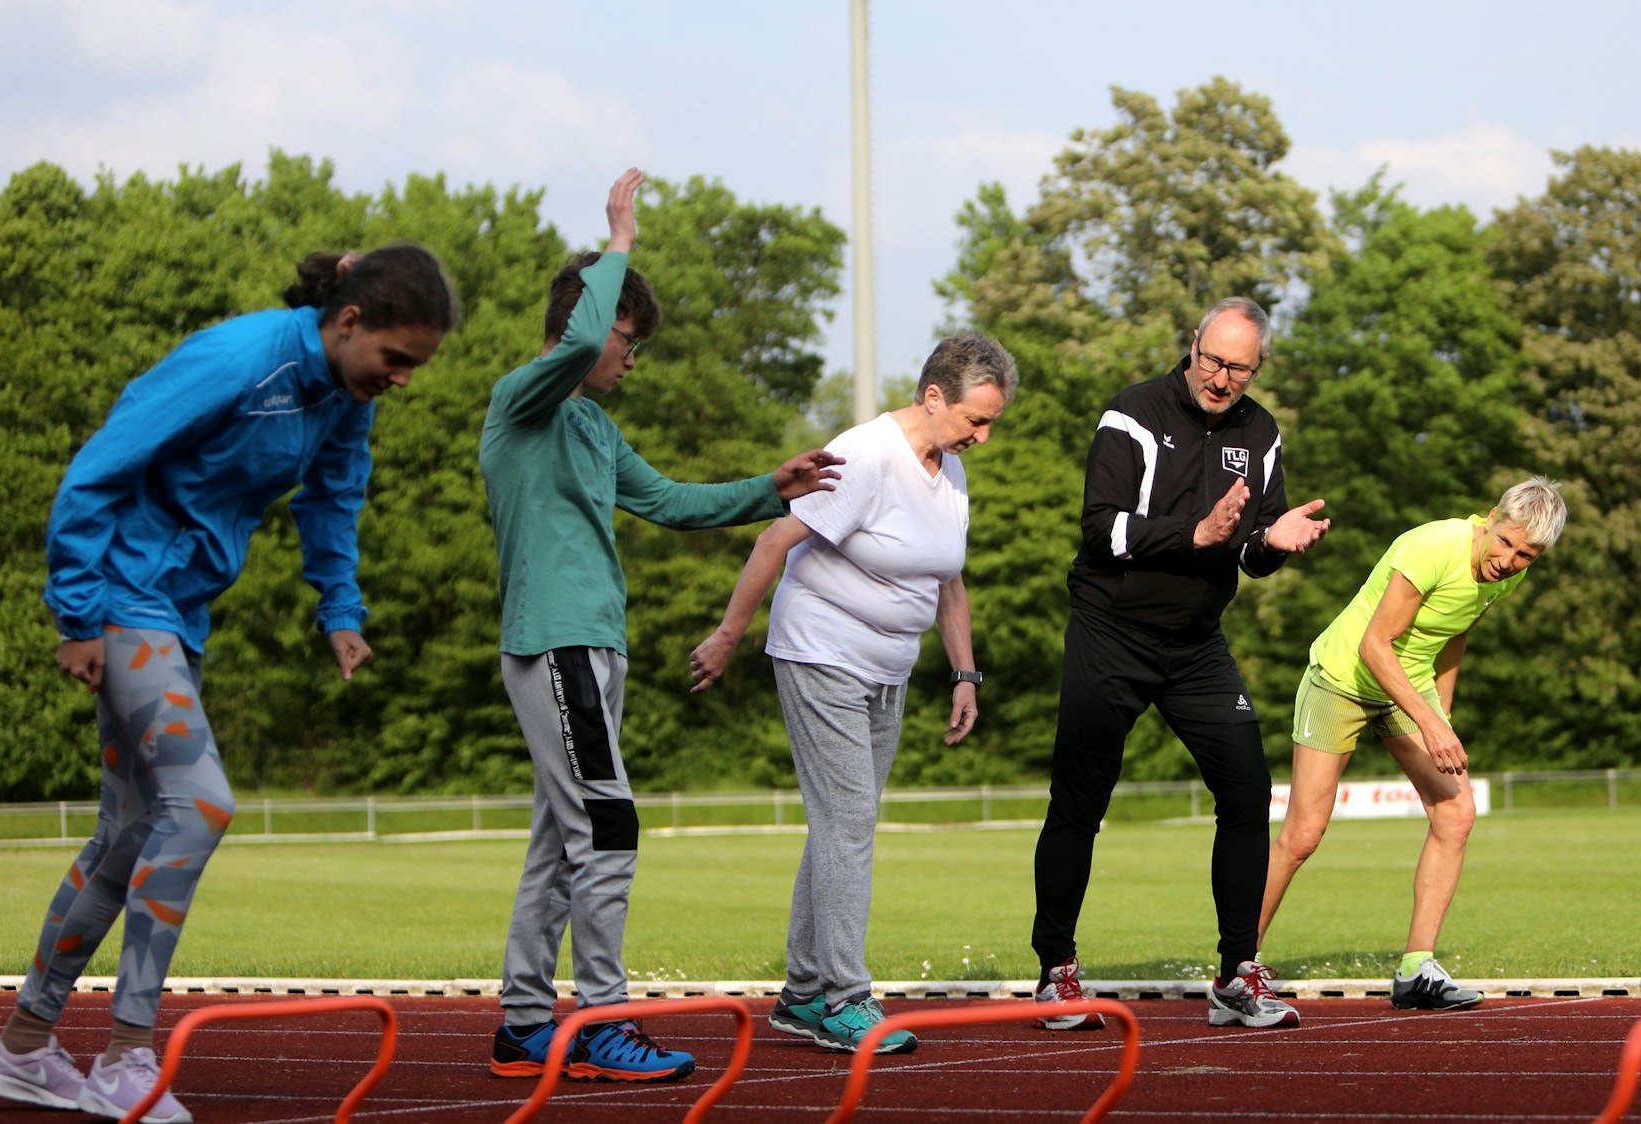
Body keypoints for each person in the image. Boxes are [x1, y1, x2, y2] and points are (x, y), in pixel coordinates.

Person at [0, 246, 460, 1122]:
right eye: (396, 358)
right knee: (198, 806)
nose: (403, 380)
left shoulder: (344, 397)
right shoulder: (237, 360)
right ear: (349, 321)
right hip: (123, 596)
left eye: (414, 366)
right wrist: (76, 616)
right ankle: (126, 1056)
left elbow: (332, 497)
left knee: (128, 834)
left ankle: (22, 1047)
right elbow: (98, 469)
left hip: (178, 611)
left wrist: (340, 609)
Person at [481, 168, 842, 1084]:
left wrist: (772, 488)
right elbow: (577, 340)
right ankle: (603, 1018)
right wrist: (619, 240)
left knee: (560, 840)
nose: (630, 360)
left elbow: (672, 502)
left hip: (595, 647)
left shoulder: (595, 429)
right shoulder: (522, 398)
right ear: (590, 325)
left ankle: (523, 1026)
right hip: (555, 642)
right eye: (627, 340)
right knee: (608, 827)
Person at [687, 333, 1017, 1055]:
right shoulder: (864, 455)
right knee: (847, 825)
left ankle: (803, 993)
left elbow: (948, 579)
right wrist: (727, 635)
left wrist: (964, 674)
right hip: (821, 651)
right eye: (975, 419)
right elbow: (775, 540)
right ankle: (843, 997)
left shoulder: (951, 470)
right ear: (934, 396)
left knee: (843, 823)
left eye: (991, 423)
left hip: (887, 668)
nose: (982, 436)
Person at [1029, 297, 1328, 1033]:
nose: (1221, 378)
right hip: (1110, 631)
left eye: (1239, 369)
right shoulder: (1130, 414)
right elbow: (1101, 529)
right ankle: (1056, 972)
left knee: (1247, 788)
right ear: (1192, 344)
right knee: (1080, 803)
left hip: (1196, 643)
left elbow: (1250, 552)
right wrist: (1194, 534)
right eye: (1212, 360)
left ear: (1258, 368)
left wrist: (1273, 544)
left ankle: (1236, 976)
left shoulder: (1261, 432)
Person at [1255, 477, 1566, 1012]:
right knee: (1303, 833)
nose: (1509, 561)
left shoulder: (1508, 575)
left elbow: (1456, 632)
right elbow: (1374, 645)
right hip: (1342, 677)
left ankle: (1416, 969)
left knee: (1456, 813)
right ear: (1491, 517)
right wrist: (1431, 724)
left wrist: (1442, 712)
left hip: (1409, 685)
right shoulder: (1433, 546)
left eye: (1526, 556)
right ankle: (1242, 960)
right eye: (1506, 543)